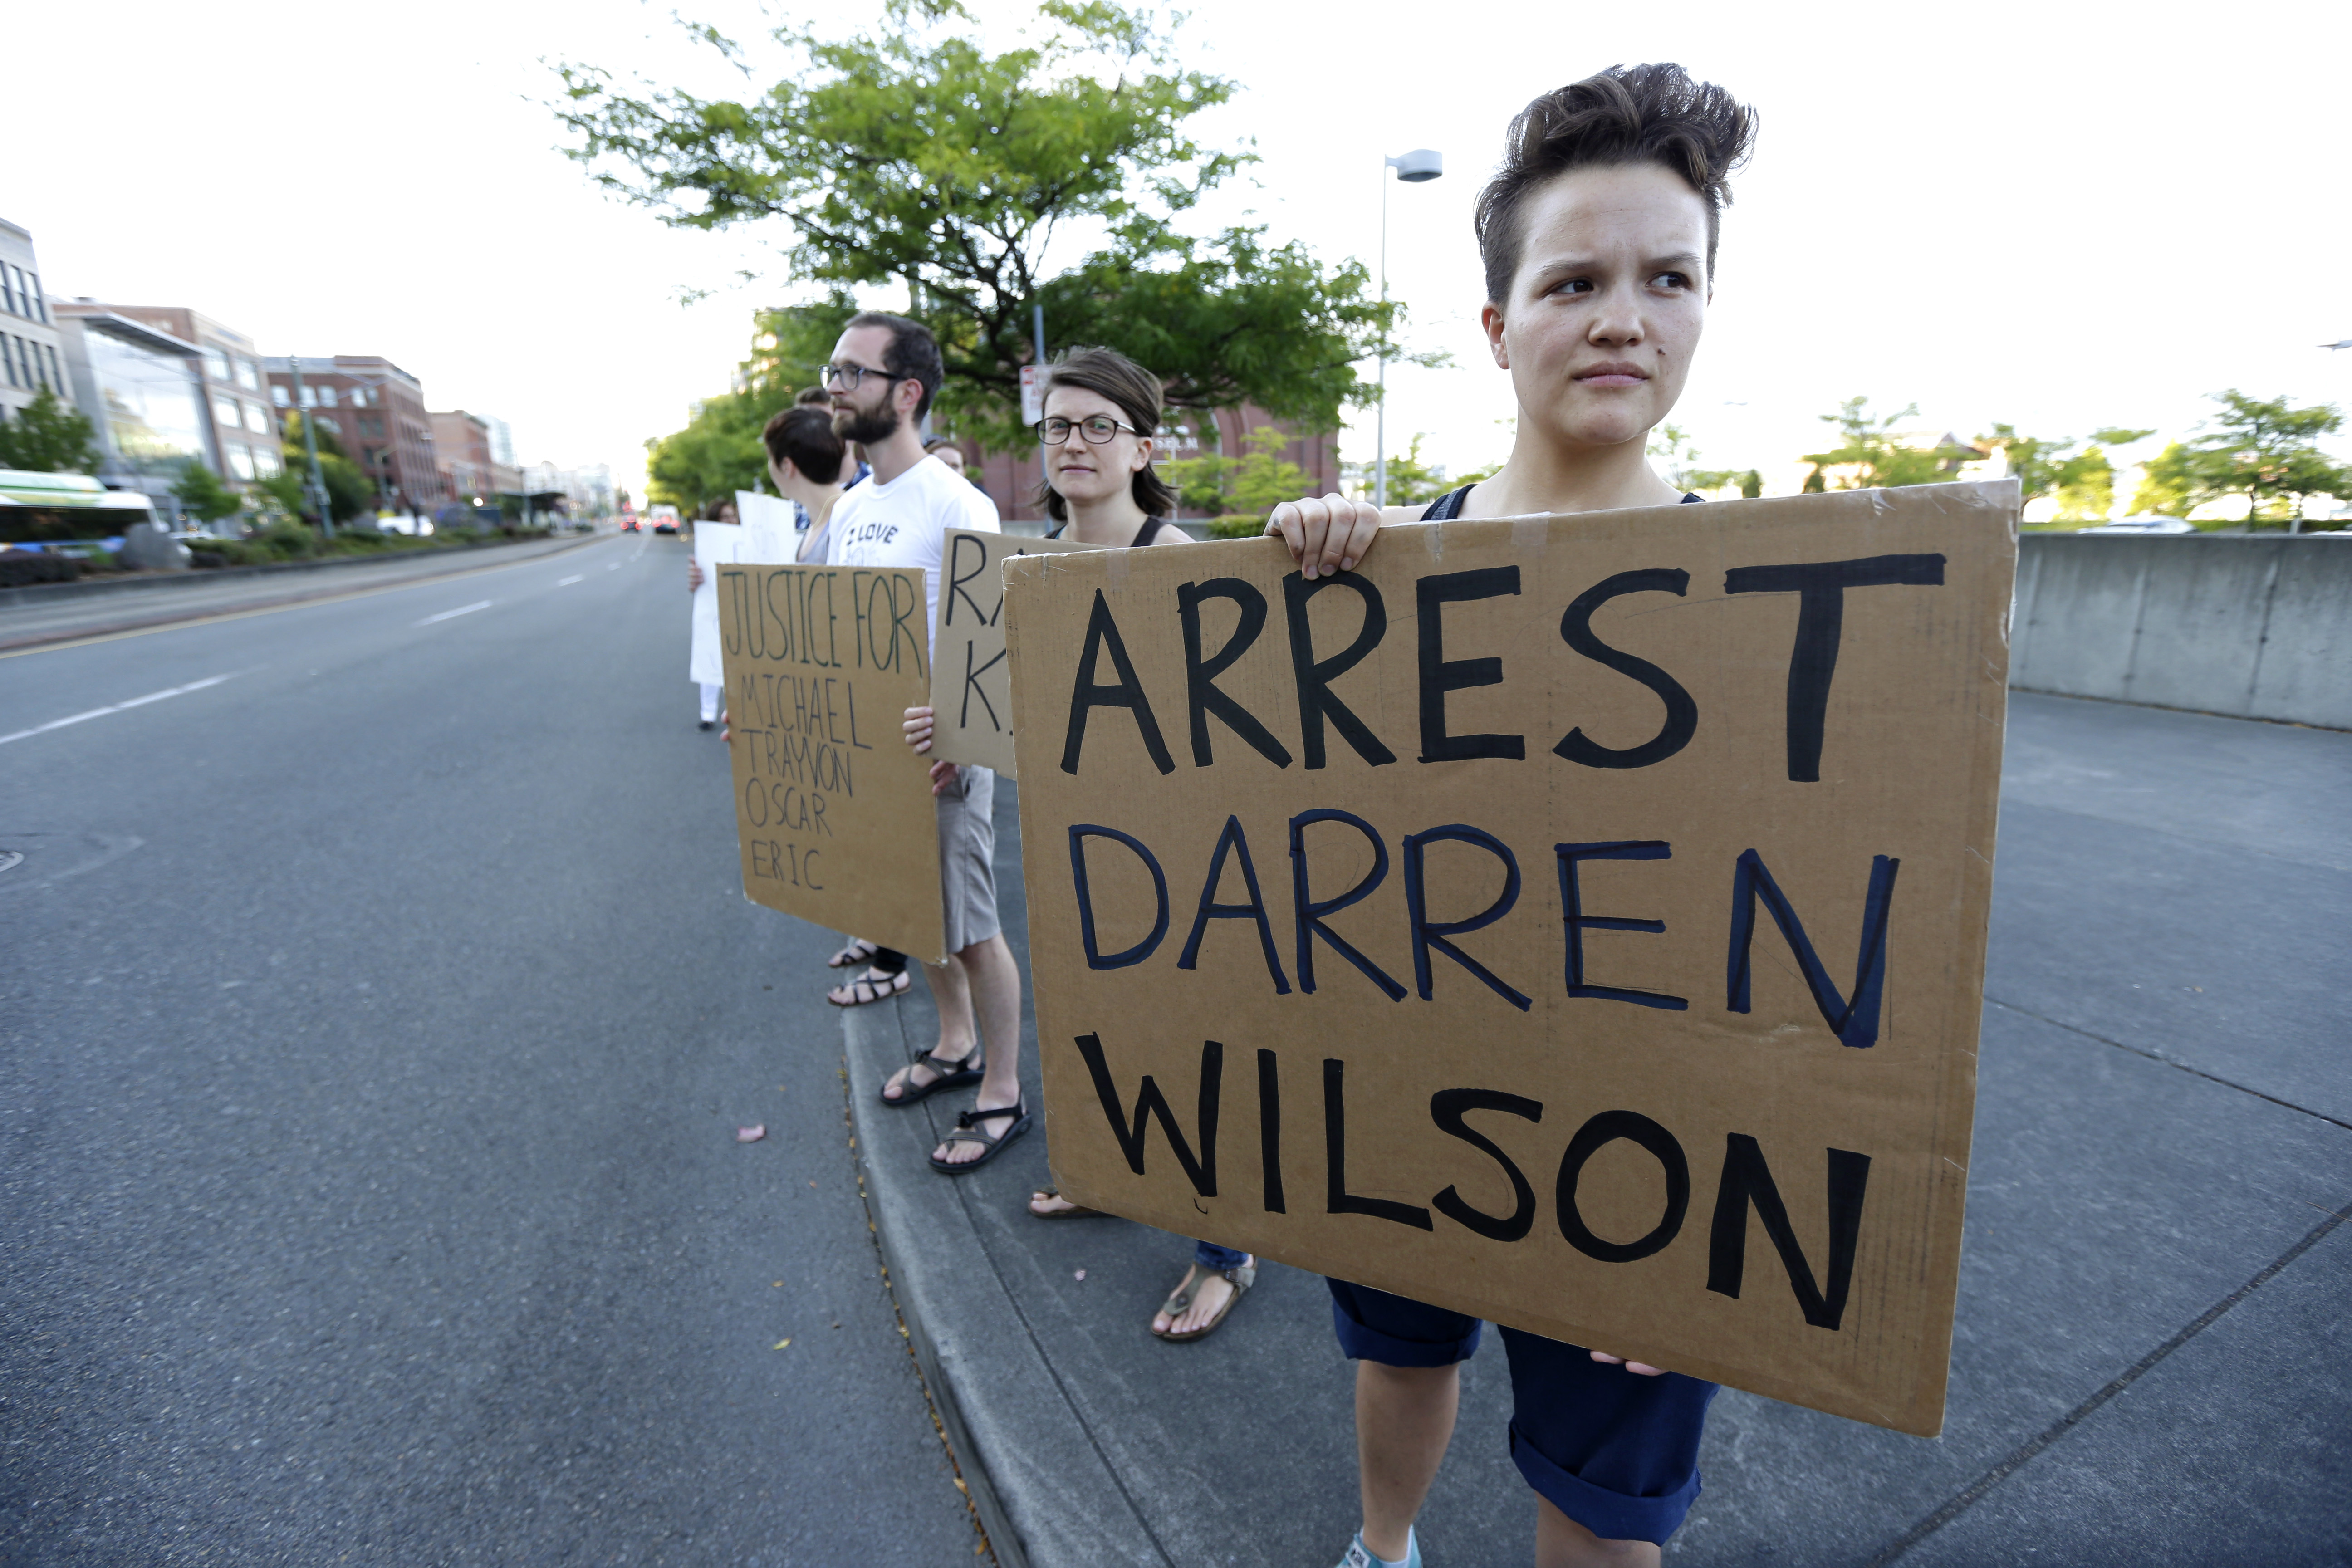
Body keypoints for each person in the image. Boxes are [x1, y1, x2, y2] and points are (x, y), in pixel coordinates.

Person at [1261, 64, 1755, 1568]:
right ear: (1497, 325)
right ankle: (1383, 1547)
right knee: (1399, 1354)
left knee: (1605, 1505)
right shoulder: (1377, 565)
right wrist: (1304, 567)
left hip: (1644, 1153)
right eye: (1576, 279)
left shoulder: (1766, 601)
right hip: (1408, 1103)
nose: (1624, 315)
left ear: (1702, 308)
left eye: (1669, 277)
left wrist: (1724, 1221)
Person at [820, 312, 1027, 1175]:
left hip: (944, 758)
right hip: (873, 761)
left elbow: (995, 635)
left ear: (905, 393)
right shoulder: (851, 506)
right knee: (918, 914)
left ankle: (1004, 1092)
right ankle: (954, 1044)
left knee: (972, 926)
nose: (833, 384)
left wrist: (963, 738)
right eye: (830, 369)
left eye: (850, 371)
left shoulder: (957, 502)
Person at [692, 498, 739, 730]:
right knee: (710, 658)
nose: (731, 520)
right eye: (725, 517)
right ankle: (707, 714)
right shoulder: (707, 547)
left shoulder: (744, 541)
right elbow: (697, 584)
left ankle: (734, 711)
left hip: (740, 608)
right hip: (714, 609)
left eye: (733, 516)